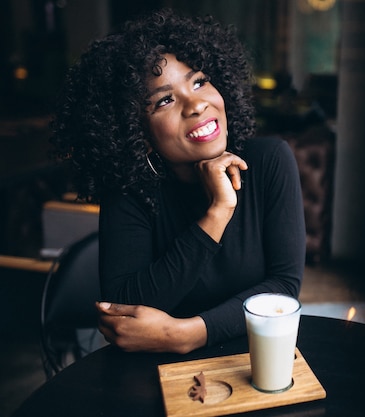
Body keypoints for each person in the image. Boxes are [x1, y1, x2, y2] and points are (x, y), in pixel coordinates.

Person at [49, 8, 306, 354]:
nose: (196, 104)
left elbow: (282, 289)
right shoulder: (129, 190)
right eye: (165, 100)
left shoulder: (270, 161)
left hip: (253, 355)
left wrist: (184, 334)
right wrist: (217, 213)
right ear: (134, 131)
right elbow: (124, 312)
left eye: (199, 81)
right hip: (155, 371)